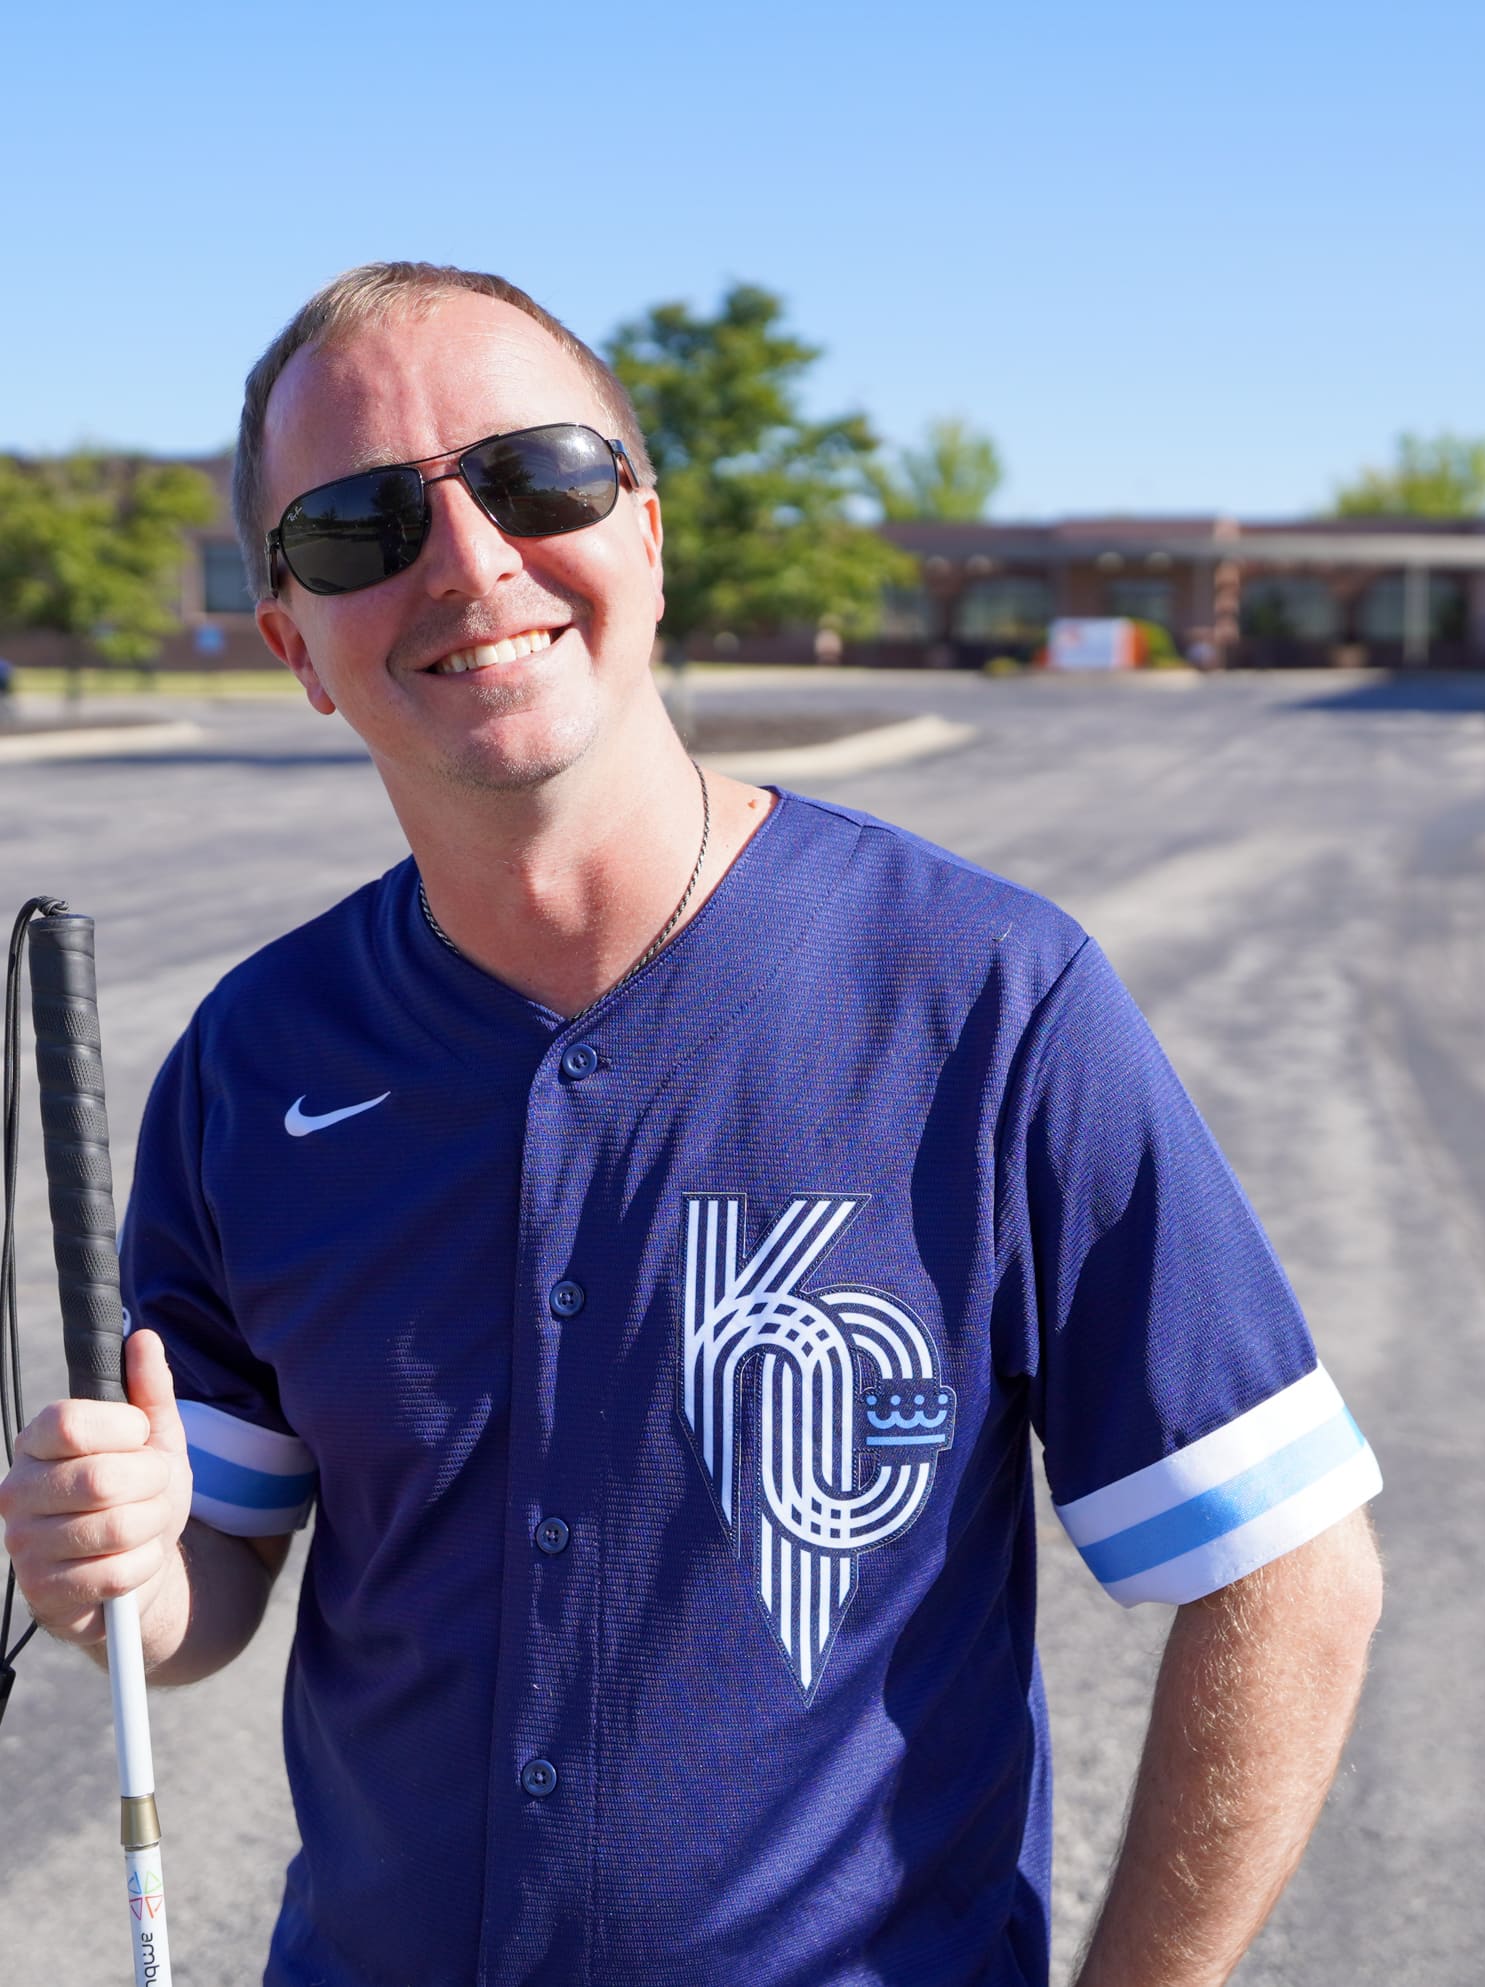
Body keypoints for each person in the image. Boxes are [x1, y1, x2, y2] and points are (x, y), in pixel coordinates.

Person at [0, 265, 1383, 1987]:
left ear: (646, 535)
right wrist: (108, 1570)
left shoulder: (984, 997)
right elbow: (203, 1596)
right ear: (295, 642)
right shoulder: (254, 1058)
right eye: (358, 527)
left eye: (536, 477)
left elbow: (1287, 1572)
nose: (470, 561)